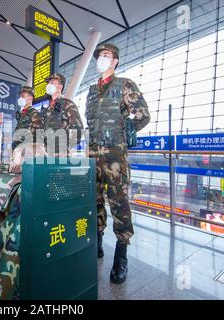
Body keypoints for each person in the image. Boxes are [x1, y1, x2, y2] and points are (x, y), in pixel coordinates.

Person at [85, 44, 151, 284]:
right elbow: (90, 123)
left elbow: (143, 115)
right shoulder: (92, 91)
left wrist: (126, 131)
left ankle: (121, 255)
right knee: (95, 200)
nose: (101, 59)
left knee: (119, 204)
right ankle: (98, 243)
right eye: (99, 56)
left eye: (106, 56)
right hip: (93, 155)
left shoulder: (125, 84)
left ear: (115, 61)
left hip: (115, 156)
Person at [43, 73, 83, 156]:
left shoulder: (67, 104)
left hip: (62, 156)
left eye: (52, 83)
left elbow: (78, 130)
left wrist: (65, 149)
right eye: (48, 83)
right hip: (47, 154)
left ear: (60, 86)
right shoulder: (48, 109)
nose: (48, 85)